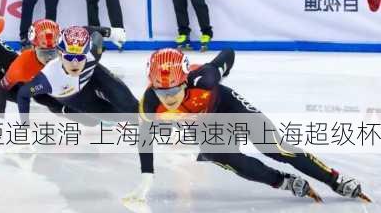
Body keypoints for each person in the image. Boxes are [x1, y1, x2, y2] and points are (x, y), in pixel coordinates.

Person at [127, 48, 371, 204]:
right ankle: (282, 181)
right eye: (161, 91)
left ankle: (334, 180)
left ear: (185, 82)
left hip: (226, 105)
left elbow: (228, 53)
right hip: (206, 127)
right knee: (224, 156)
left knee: (275, 146)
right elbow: (144, 139)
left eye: (174, 90)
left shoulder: (205, 78)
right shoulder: (149, 103)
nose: (169, 98)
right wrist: (146, 176)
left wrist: (222, 69)